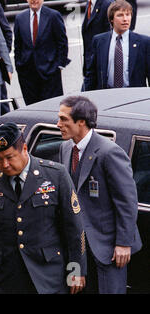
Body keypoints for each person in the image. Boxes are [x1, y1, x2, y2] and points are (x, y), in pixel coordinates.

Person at [0, 123, 86, 294]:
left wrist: (76, 271)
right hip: (5, 276)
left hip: (48, 274)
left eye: (10, 157)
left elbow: (74, 229)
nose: (5, 164)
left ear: (24, 149)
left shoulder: (55, 175)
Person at [57, 95, 142, 294]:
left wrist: (123, 243)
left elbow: (127, 201)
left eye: (63, 119)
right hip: (75, 248)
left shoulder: (109, 152)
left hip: (108, 248)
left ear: (81, 122)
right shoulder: (65, 148)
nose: (58, 124)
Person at [84, 0, 149, 91]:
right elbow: (91, 75)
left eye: (128, 14)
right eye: (120, 15)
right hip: (107, 94)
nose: (125, 19)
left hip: (134, 96)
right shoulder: (99, 41)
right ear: (111, 19)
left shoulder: (143, 42)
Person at [14, 0, 70, 105]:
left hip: (50, 74)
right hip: (27, 74)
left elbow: (62, 42)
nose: (34, 1)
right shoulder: (20, 18)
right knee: (32, 108)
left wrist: (59, 66)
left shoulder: (53, 16)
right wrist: (19, 66)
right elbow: (18, 45)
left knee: (50, 107)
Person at [81, 0, 113, 80]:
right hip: (90, 62)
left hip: (100, 64)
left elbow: (109, 36)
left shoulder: (107, 4)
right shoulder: (89, 3)